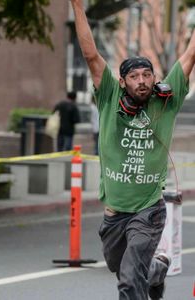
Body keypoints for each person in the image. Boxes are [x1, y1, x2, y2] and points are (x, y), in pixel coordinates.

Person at [70, 0, 195, 299]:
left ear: (154, 78)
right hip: (114, 215)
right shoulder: (109, 97)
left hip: (149, 210)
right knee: (121, 265)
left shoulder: (167, 100)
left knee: (128, 281)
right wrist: (77, 5)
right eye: (134, 77)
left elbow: (191, 53)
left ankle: (147, 274)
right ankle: (156, 270)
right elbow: (90, 54)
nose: (141, 81)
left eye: (146, 75)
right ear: (122, 81)